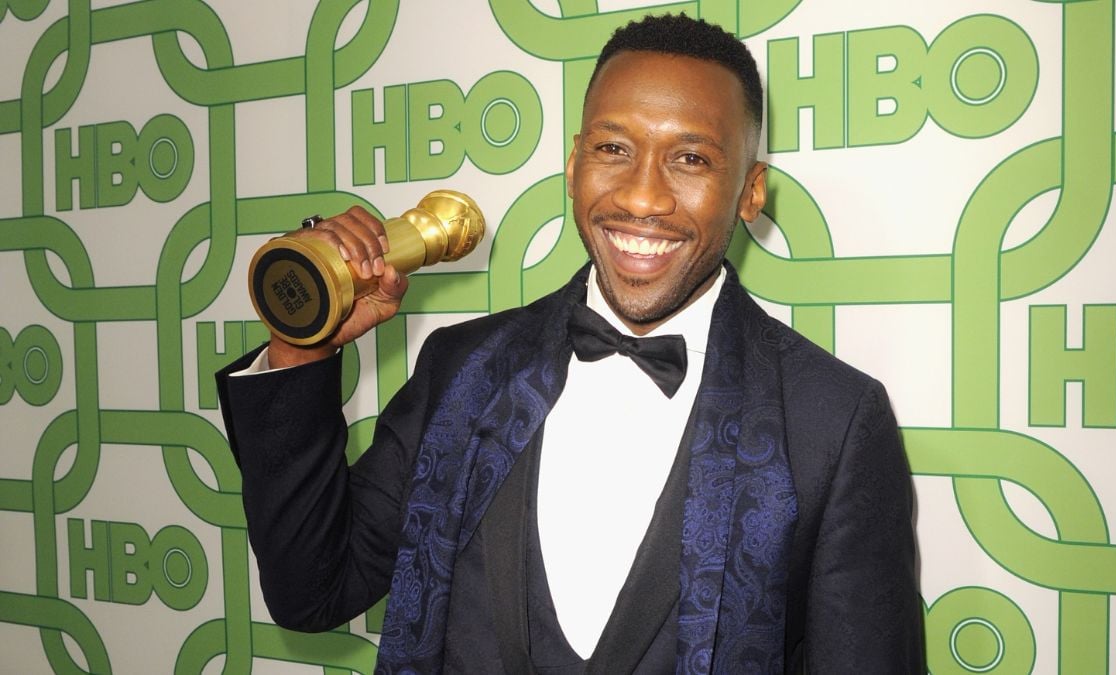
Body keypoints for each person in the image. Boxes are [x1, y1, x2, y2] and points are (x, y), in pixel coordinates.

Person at [217, 13, 924, 674]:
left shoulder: (834, 419)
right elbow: (311, 589)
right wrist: (301, 345)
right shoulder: (461, 368)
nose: (642, 197)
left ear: (750, 191)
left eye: (691, 159)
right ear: (573, 161)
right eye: (613, 148)